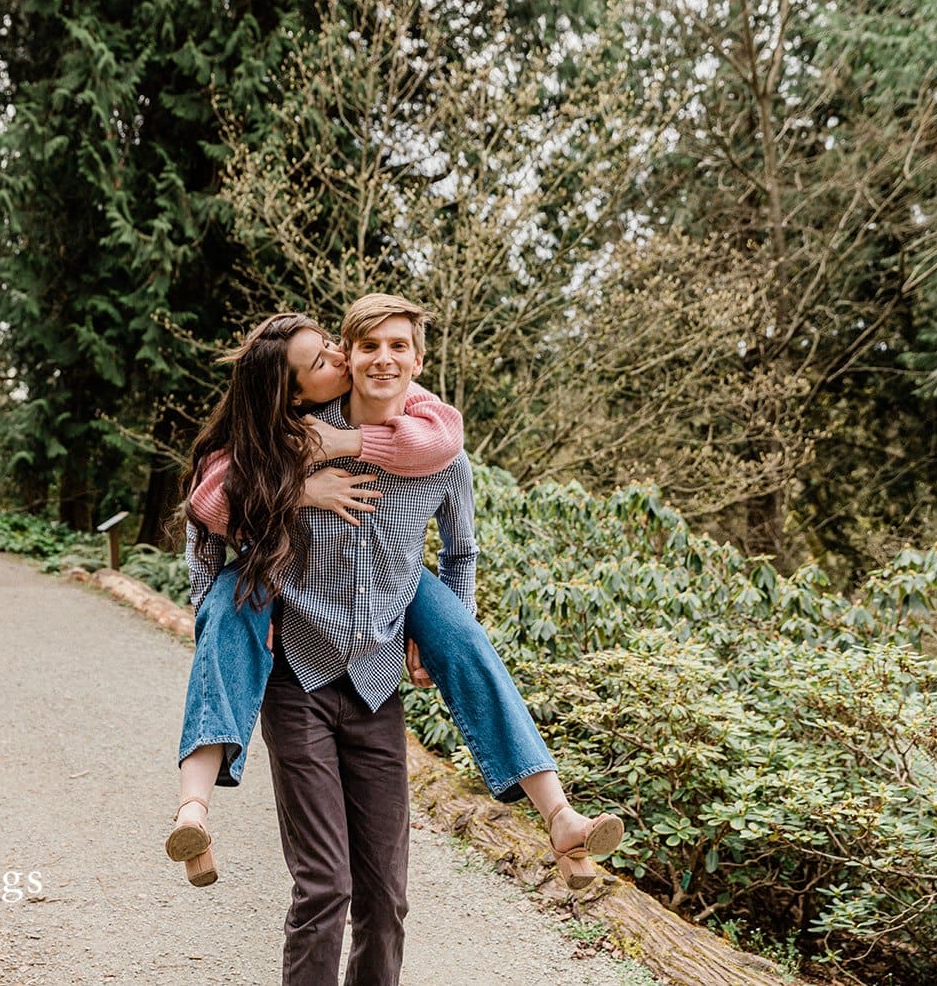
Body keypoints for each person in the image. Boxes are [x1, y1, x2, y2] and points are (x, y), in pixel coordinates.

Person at [167, 300, 622, 904]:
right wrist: (297, 487)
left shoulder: (429, 431)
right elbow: (211, 506)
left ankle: (561, 817)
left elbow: (450, 461)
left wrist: (352, 442)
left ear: (418, 358)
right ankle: (192, 811)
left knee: (464, 639)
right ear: (342, 366)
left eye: (397, 347)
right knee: (225, 615)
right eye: (347, 352)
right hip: (288, 611)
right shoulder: (288, 430)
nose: (372, 359)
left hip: (396, 601)